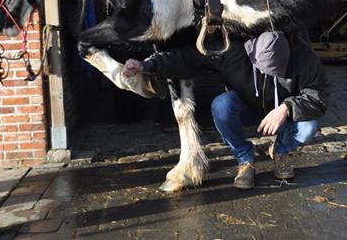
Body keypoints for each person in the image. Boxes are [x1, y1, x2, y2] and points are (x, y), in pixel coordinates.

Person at [122, 31, 329, 189]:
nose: (271, 76)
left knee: (308, 126)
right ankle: (245, 160)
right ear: (253, 57)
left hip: (283, 112)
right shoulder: (232, 53)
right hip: (249, 105)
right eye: (266, 71)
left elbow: (318, 97)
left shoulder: (304, 57)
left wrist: (286, 107)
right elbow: (187, 57)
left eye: (277, 72)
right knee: (221, 105)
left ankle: (281, 151)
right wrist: (146, 64)